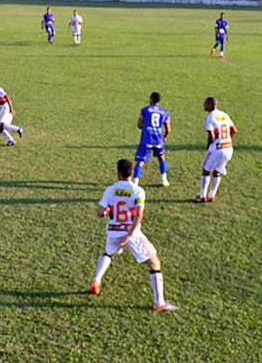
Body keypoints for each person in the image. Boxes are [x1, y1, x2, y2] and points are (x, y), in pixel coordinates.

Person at [90, 159, 178, 312]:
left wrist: (106, 212)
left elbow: (99, 212)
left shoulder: (110, 189)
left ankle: (96, 280)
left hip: (113, 230)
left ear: (118, 173)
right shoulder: (137, 191)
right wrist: (130, 235)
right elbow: (139, 214)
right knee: (155, 264)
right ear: (131, 173)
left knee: (109, 253)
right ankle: (159, 303)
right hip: (130, 232)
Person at [195, 98, 238, 203]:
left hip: (217, 149)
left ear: (210, 105)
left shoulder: (209, 117)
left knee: (206, 171)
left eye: (205, 104)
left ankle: (202, 196)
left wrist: (209, 145)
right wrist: (228, 140)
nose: (203, 105)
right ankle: (211, 196)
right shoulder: (225, 115)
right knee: (217, 171)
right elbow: (234, 130)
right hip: (228, 148)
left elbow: (211, 134)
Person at [133, 92, 171, 187]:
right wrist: (165, 137)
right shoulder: (164, 113)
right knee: (161, 157)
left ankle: (135, 182)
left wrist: (145, 128)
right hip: (158, 139)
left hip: (147, 139)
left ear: (151, 99)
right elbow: (168, 129)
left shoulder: (145, 110)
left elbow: (139, 124)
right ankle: (164, 179)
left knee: (141, 161)